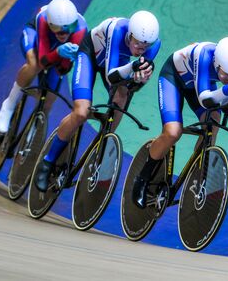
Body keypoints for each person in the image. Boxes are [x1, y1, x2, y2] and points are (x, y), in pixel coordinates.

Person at [34, 10, 162, 192]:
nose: (142, 49)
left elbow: (131, 84)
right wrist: (133, 69)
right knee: (81, 112)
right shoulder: (117, 30)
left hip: (119, 64)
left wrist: (139, 80)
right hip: (90, 57)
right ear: (130, 35)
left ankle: (103, 142)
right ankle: (47, 162)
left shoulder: (153, 46)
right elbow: (111, 76)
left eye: (146, 46)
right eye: (138, 44)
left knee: (123, 95)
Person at [132, 37, 228, 208]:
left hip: (199, 85)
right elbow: (204, 99)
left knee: (213, 123)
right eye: (225, 74)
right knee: (173, 132)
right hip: (173, 79)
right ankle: (142, 178)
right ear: (216, 63)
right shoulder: (204, 55)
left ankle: (197, 180)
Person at [0, 0, 87, 137]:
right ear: (50, 23)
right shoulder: (42, 19)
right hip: (35, 36)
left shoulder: (80, 29)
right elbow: (43, 61)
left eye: (68, 29)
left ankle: (35, 127)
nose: (64, 34)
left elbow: (63, 69)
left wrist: (65, 60)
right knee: (34, 65)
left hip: (55, 51)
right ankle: (9, 104)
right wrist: (58, 52)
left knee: (50, 96)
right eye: (57, 29)